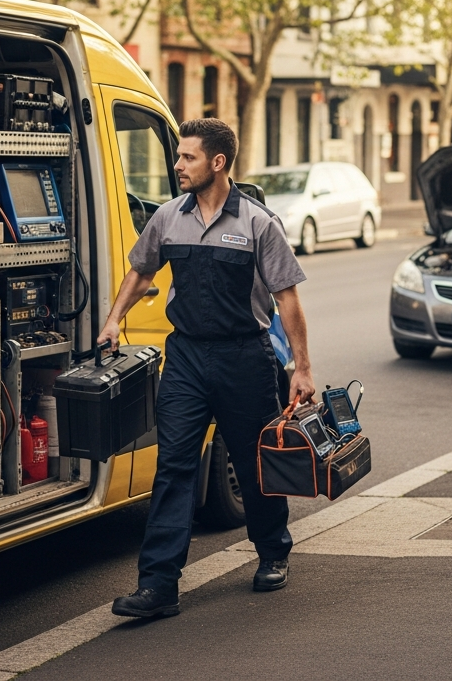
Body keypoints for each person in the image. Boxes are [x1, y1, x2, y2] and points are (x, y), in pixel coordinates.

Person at [99, 118, 316, 618]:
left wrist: (301, 367)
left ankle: (273, 552)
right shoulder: (168, 217)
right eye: (178, 156)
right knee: (174, 465)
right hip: (188, 358)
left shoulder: (259, 223)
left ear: (218, 163)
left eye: (187, 157)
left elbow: (287, 299)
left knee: (252, 461)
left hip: (245, 355)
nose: (177, 165)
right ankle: (158, 585)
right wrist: (114, 320)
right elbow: (141, 270)